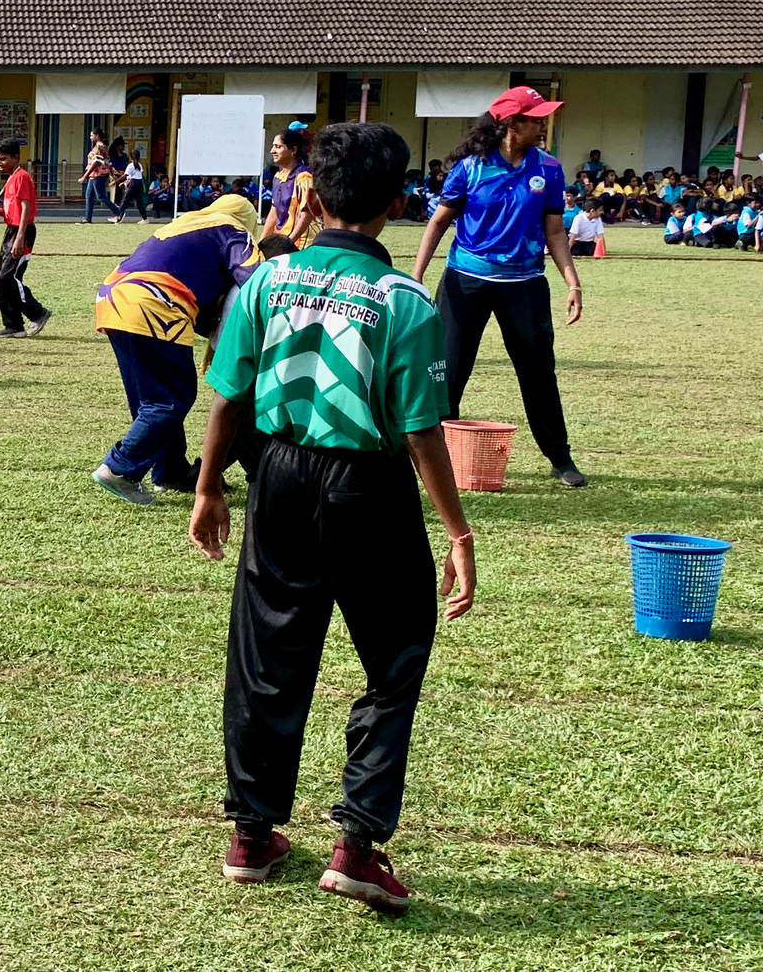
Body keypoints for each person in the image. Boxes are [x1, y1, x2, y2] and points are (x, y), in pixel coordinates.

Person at [191, 120, 476, 916]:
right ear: (396, 203)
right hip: (369, 488)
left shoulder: (262, 286)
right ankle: (356, 844)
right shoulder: (406, 302)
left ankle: (251, 834)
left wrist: (211, 486)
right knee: (394, 659)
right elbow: (421, 431)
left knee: (266, 652)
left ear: (312, 193)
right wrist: (459, 531)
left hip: (275, 475)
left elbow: (228, 396)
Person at [411, 85, 586, 489]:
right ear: (511, 122)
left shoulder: (549, 168)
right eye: (535, 117)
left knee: (538, 372)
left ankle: (560, 459)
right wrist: (416, 279)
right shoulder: (470, 168)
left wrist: (573, 283)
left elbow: (555, 230)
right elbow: (438, 223)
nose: (543, 124)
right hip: (465, 282)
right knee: (449, 371)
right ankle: (433, 457)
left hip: (525, 284)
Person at [90, 195, 262, 504]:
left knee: (151, 399)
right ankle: (120, 468)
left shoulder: (186, 223)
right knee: (170, 399)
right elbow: (254, 279)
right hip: (154, 304)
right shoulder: (232, 229)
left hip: (114, 298)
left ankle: (169, 472)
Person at [0, 139, 50, 338]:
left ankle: (38, 312)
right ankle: (13, 324)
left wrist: (20, 237)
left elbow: (26, 208)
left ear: (15, 157)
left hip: (22, 231)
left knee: (9, 277)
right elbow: (14, 207)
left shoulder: (21, 177)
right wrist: (1, 211)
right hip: (11, 230)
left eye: (3, 159)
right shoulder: (11, 177)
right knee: (2, 277)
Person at [260, 127, 317, 249]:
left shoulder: (304, 177)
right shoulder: (278, 176)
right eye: (273, 146)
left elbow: (307, 215)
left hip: (302, 243)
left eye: (278, 147)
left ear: (293, 150)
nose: (272, 151)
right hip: (283, 240)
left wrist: (289, 243)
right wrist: (261, 243)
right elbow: (274, 212)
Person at [79, 128, 113, 224]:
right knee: (89, 196)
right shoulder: (98, 146)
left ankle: (118, 212)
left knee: (101, 197)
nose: (90, 137)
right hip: (94, 175)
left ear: (97, 136)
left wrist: (84, 176)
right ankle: (87, 218)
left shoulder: (99, 146)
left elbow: (96, 163)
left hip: (98, 174)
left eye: (91, 135)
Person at [111, 147, 148, 223]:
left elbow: (125, 176)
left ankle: (119, 216)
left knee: (125, 200)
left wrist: (116, 181)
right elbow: (133, 176)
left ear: (131, 157)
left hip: (133, 184)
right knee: (139, 202)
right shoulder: (139, 165)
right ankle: (145, 218)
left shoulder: (130, 165)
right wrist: (124, 183)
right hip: (139, 183)